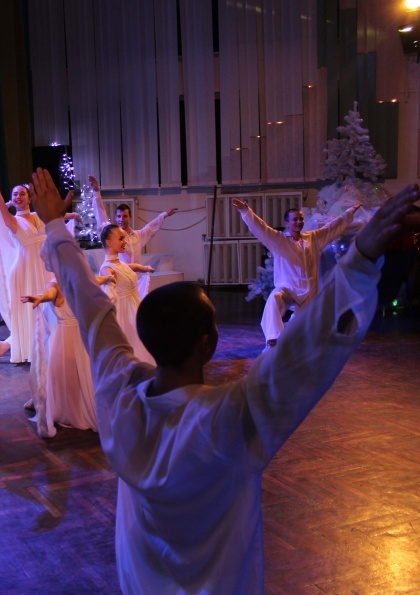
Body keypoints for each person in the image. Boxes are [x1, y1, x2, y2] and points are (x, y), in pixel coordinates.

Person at [29, 165, 419, 593]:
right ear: (208, 343)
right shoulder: (230, 421)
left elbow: (92, 311)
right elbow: (305, 354)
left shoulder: (118, 396)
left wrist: (56, 228)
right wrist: (360, 259)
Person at [232, 198, 361, 348]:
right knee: (274, 298)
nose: (298, 222)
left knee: (303, 330)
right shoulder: (279, 240)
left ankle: (290, 337)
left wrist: (349, 212)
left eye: (301, 219)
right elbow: (261, 228)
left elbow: (332, 228)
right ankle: (274, 338)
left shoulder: (313, 238)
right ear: (287, 223)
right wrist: (246, 211)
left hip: (309, 292)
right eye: (295, 219)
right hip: (288, 289)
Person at [0, 152, 53, 364]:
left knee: (48, 308)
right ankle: (29, 349)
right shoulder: (12, 220)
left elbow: (57, 216)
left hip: (43, 268)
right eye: (15, 194)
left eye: (22, 194)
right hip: (24, 270)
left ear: (29, 197)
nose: (18, 197)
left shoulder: (39, 216)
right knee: (30, 312)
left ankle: (11, 345)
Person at [21, 278, 105, 437]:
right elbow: (49, 293)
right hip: (70, 337)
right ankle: (58, 404)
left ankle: (65, 405)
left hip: (79, 336)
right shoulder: (58, 284)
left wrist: (108, 278)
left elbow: (98, 279)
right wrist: (40, 297)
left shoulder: (79, 279)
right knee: (69, 374)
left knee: (78, 373)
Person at [92, 174, 176, 295]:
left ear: (130, 217)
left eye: (124, 216)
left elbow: (150, 228)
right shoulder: (113, 235)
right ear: (115, 217)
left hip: (134, 280)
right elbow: (101, 216)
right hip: (119, 280)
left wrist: (164, 215)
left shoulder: (138, 235)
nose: (121, 219)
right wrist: (96, 192)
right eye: (119, 216)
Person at [98, 223, 155, 365]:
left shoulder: (119, 263)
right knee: (133, 348)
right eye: (121, 238)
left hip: (134, 308)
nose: (125, 241)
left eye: (124, 238)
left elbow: (130, 267)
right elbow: (108, 279)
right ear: (109, 243)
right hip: (125, 315)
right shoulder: (106, 268)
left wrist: (144, 268)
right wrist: (109, 282)